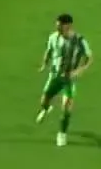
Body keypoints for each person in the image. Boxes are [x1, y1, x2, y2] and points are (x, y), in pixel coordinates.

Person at [36, 13, 93, 147]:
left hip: (69, 78)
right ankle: (46, 108)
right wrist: (44, 64)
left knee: (67, 106)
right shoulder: (53, 37)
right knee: (44, 100)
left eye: (60, 26)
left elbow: (89, 58)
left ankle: (62, 134)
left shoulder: (79, 41)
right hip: (55, 76)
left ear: (68, 26)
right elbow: (49, 51)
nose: (58, 29)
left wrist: (79, 70)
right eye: (57, 26)